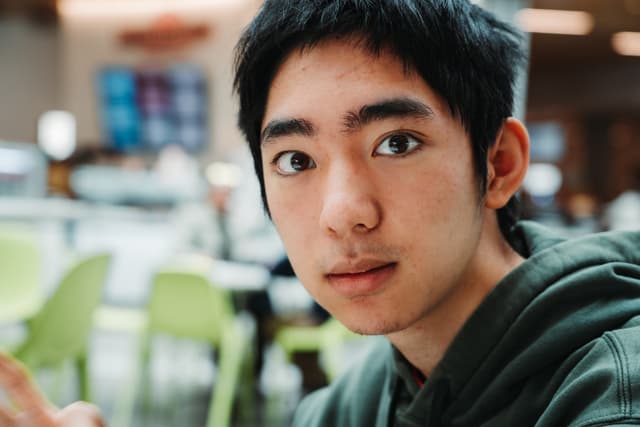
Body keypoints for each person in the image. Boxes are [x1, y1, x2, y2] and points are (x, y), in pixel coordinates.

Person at [232, 0, 640, 425]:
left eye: (397, 143)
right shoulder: (357, 398)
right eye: (296, 160)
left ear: (499, 164)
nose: (341, 213)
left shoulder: (613, 395)